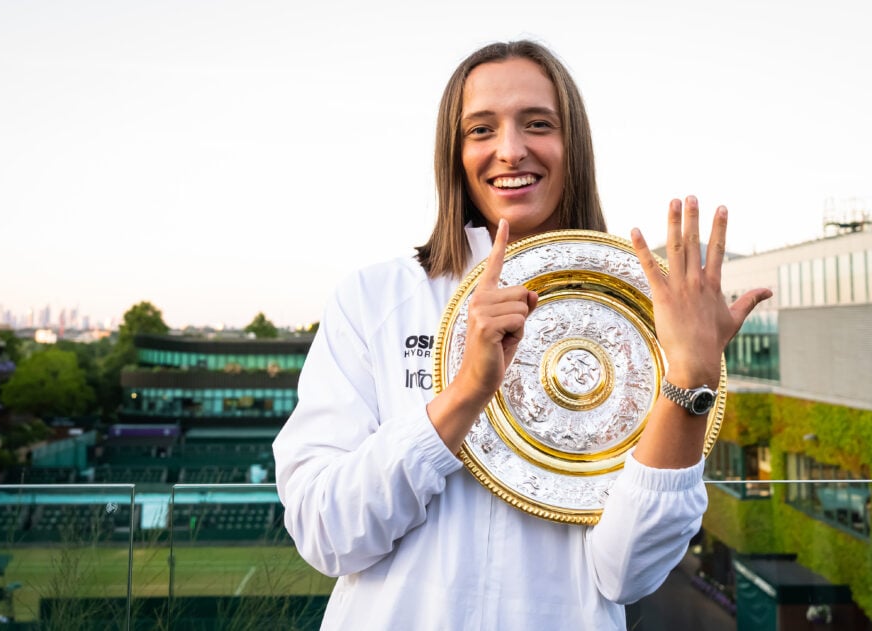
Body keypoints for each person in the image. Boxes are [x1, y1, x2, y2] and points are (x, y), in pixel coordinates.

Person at [272, 39, 771, 630]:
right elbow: (325, 534)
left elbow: (628, 573)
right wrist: (463, 394)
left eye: (538, 124)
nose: (510, 150)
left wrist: (690, 377)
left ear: (573, 145)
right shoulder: (376, 298)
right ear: (455, 153)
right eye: (481, 129)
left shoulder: (644, 314)